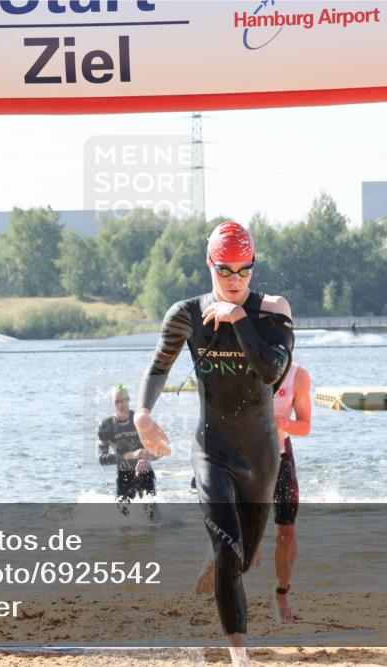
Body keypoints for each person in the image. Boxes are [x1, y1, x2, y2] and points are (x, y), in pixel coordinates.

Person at [135, 221, 294, 667]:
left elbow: (272, 371)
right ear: (210, 265)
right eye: (225, 270)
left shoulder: (272, 310)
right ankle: (240, 655)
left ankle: (217, 555)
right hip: (212, 449)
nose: (235, 279)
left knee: (242, 560)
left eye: (244, 270)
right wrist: (142, 413)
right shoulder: (186, 314)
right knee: (229, 549)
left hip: (261, 455)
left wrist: (237, 318)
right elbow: (159, 366)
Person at [270, 360, 311, 624]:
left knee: (287, 531)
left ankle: (281, 594)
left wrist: (283, 422)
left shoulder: (298, 375)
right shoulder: (244, 365)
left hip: (280, 453)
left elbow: (305, 425)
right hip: (245, 453)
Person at [97, 384, 158, 515]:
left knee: (152, 518)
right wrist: (130, 455)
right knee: (123, 519)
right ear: (112, 403)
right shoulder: (106, 425)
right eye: (117, 401)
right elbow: (102, 459)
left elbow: (160, 450)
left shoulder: (141, 420)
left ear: (129, 399)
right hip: (123, 477)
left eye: (123, 400)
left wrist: (147, 457)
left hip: (145, 473)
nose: (121, 404)